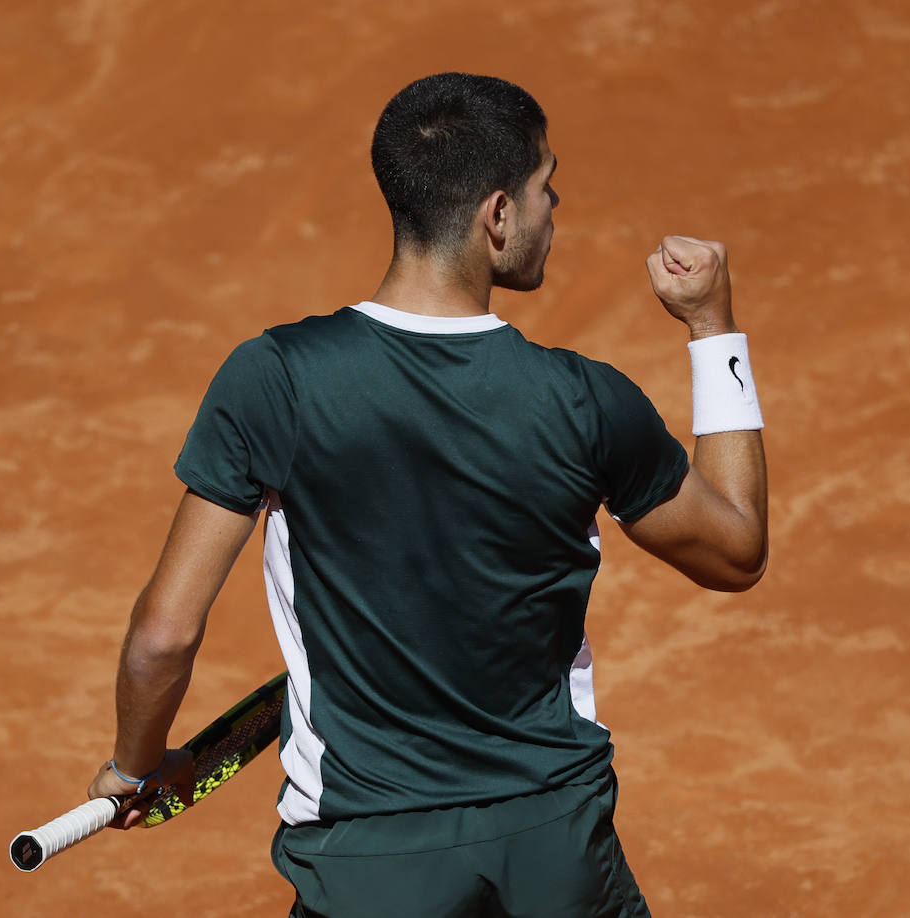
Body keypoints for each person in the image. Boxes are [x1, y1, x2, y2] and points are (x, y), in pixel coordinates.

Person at [86, 72, 767, 917]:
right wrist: (713, 326)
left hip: (370, 865)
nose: (555, 207)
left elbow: (162, 639)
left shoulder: (276, 380)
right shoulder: (586, 400)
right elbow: (736, 549)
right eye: (544, 186)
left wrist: (136, 763)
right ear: (497, 216)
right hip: (554, 854)